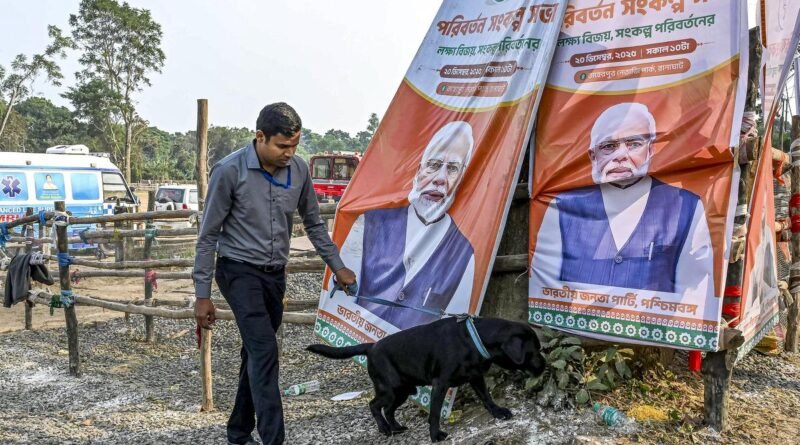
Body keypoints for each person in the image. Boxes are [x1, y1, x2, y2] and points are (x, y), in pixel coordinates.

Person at [193, 102, 356, 445]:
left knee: (255, 352)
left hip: (274, 275)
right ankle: (273, 440)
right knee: (266, 350)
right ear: (260, 137)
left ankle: (238, 432)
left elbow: (313, 223)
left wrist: (337, 266)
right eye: (282, 146)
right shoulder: (229, 171)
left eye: (294, 145)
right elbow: (208, 236)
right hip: (237, 271)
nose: (289, 153)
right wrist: (202, 294)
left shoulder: (298, 170)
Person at [531, 102, 713, 299]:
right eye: (609, 147)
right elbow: (544, 282)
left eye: (634, 144)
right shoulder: (563, 207)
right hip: (570, 328)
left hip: (653, 327)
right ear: (593, 156)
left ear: (650, 150)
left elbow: (695, 288)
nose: (620, 156)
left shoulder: (686, 206)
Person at [335, 121, 475, 330]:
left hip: (416, 356)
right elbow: (339, 299)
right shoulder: (369, 223)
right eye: (434, 165)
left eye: (453, 168)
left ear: (462, 178)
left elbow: (452, 323)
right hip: (365, 343)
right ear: (418, 172)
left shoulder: (464, 253)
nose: (440, 179)